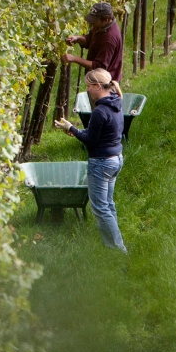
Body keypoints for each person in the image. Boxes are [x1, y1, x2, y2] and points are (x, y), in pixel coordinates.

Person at [55, 68, 127, 252]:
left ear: (97, 86)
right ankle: (111, 245)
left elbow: (90, 141)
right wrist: (77, 131)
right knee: (108, 205)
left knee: (101, 208)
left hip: (101, 162)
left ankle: (118, 249)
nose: (87, 90)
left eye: (88, 86)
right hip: (115, 159)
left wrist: (72, 128)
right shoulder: (116, 103)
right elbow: (102, 133)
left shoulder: (99, 111)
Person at [63, 1, 123, 83]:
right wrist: (77, 38)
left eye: (95, 21)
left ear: (106, 20)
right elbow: (89, 40)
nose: (92, 23)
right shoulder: (100, 27)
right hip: (97, 80)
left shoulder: (109, 39)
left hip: (106, 84)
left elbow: (99, 66)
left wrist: (74, 59)